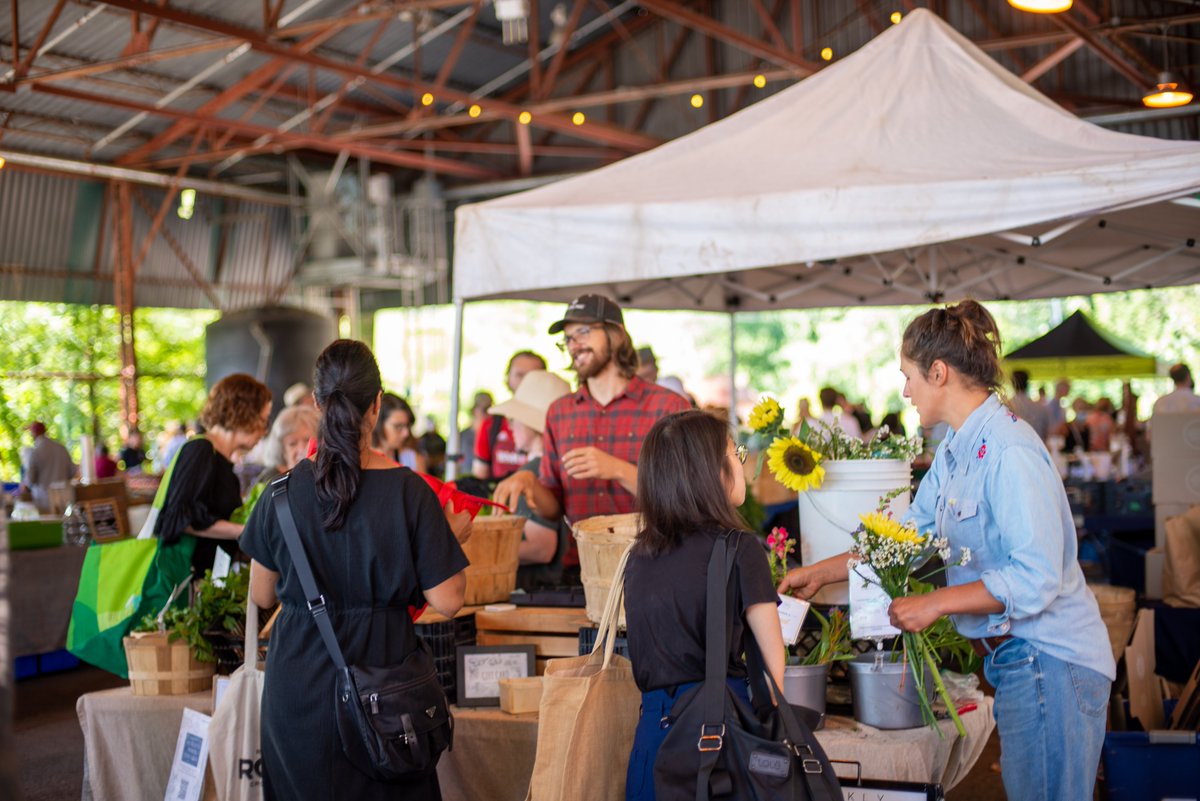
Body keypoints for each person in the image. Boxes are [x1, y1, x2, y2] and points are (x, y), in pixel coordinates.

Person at [780, 300, 1114, 801]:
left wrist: (934, 603)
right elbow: (906, 537)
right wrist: (821, 573)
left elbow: (1036, 577)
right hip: (1023, 663)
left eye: (909, 376)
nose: (905, 391)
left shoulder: (1010, 451)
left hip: (1052, 662)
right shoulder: (957, 450)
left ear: (939, 372)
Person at [240, 339, 467, 801]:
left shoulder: (280, 494)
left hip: (298, 690)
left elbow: (262, 595)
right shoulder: (410, 493)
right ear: (377, 405)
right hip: (387, 692)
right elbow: (449, 598)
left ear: (318, 404)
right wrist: (449, 537)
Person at [623, 409, 784, 801]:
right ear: (708, 471)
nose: (741, 461)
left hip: (650, 742)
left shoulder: (638, 554)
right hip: (716, 745)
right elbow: (772, 675)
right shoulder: (740, 549)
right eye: (734, 452)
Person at [494, 295, 691, 574]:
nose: (574, 344)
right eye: (568, 338)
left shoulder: (668, 406)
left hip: (655, 567)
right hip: (583, 571)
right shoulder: (559, 413)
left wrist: (618, 470)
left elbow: (686, 499)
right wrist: (530, 482)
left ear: (616, 334)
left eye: (583, 332)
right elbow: (553, 508)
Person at [147, 374, 271, 575]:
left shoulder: (220, 458)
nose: (264, 431)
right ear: (243, 413)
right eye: (263, 420)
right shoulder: (201, 450)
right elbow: (178, 518)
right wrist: (248, 531)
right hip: (188, 582)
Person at [486, 370, 572, 583]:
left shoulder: (533, 471)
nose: (509, 424)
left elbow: (541, 547)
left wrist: (482, 551)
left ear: (533, 425)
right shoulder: (558, 464)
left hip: (539, 589)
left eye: (515, 418)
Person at [473, 351, 548, 482]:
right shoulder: (492, 424)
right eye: (519, 375)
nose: (525, 381)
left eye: (533, 376)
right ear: (508, 378)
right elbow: (480, 477)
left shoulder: (555, 423)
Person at [255, 405, 321, 488]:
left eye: (308, 440)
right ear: (282, 450)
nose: (301, 449)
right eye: (292, 443)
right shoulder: (271, 479)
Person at [19, 421, 75, 514]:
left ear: (34, 434)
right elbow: (72, 472)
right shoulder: (61, 448)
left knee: (49, 525)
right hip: (65, 498)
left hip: (44, 500)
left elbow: (31, 479)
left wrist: (24, 485)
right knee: (65, 526)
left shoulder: (36, 452)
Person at [374, 393, 426, 473]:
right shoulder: (362, 459)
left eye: (407, 426)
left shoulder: (412, 461)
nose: (406, 433)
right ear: (379, 423)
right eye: (398, 426)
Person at [1008, 370, 1050, 441]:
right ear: (1028, 384)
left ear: (1012, 383)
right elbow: (1046, 433)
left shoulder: (1003, 406)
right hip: (1035, 449)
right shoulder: (1041, 408)